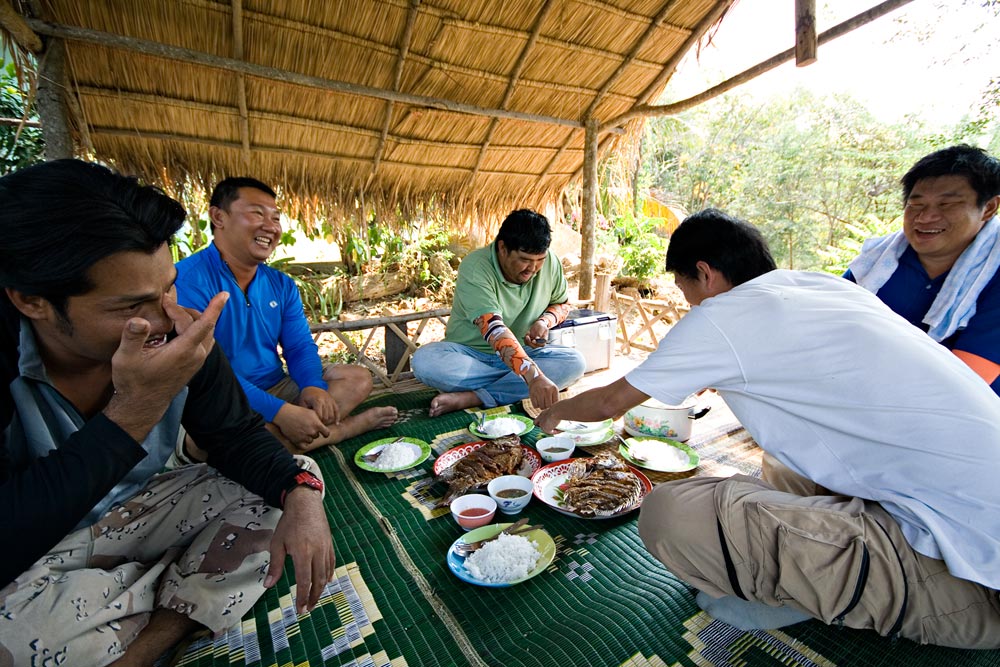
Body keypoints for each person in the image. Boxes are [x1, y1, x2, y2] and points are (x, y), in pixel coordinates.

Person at [536, 209, 1000, 648]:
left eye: (683, 286)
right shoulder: (824, 286)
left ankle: (801, 589)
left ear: (706, 273)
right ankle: (810, 569)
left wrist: (553, 414)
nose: (687, 299)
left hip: (972, 582)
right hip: (960, 512)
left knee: (669, 513)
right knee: (781, 461)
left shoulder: (720, 315)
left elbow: (609, 403)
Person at [0, 160, 336, 667]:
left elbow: (238, 436)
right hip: (32, 550)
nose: (165, 320)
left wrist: (302, 497)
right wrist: (136, 408)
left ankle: (144, 639)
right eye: (130, 306)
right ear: (32, 301)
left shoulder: (179, 326)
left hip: (142, 510)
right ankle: (173, 589)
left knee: (295, 482)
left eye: (169, 288)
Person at [175, 178, 396, 454]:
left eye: (276, 217)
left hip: (276, 385)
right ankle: (344, 429)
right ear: (218, 217)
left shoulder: (281, 285)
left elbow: (298, 346)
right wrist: (279, 412)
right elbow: (205, 373)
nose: (271, 226)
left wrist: (312, 387)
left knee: (357, 378)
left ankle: (277, 439)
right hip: (219, 398)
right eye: (257, 213)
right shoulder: (185, 281)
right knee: (206, 438)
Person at [845, 144, 1000, 395]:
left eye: (946, 204)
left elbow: (967, 384)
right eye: (915, 205)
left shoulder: (994, 274)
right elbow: (830, 324)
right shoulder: (874, 264)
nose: (925, 218)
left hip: (966, 415)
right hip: (866, 396)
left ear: (989, 208)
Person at [411, 209, 586, 416]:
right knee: (424, 361)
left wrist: (544, 322)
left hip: (523, 354)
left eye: (540, 260)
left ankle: (476, 397)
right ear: (502, 248)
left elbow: (563, 304)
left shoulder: (551, 263)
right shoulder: (475, 267)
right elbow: (494, 330)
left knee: (575, 362)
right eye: (524, 259)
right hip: (473, 358)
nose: (533, 268)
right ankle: (513, 385)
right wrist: (534, 376)